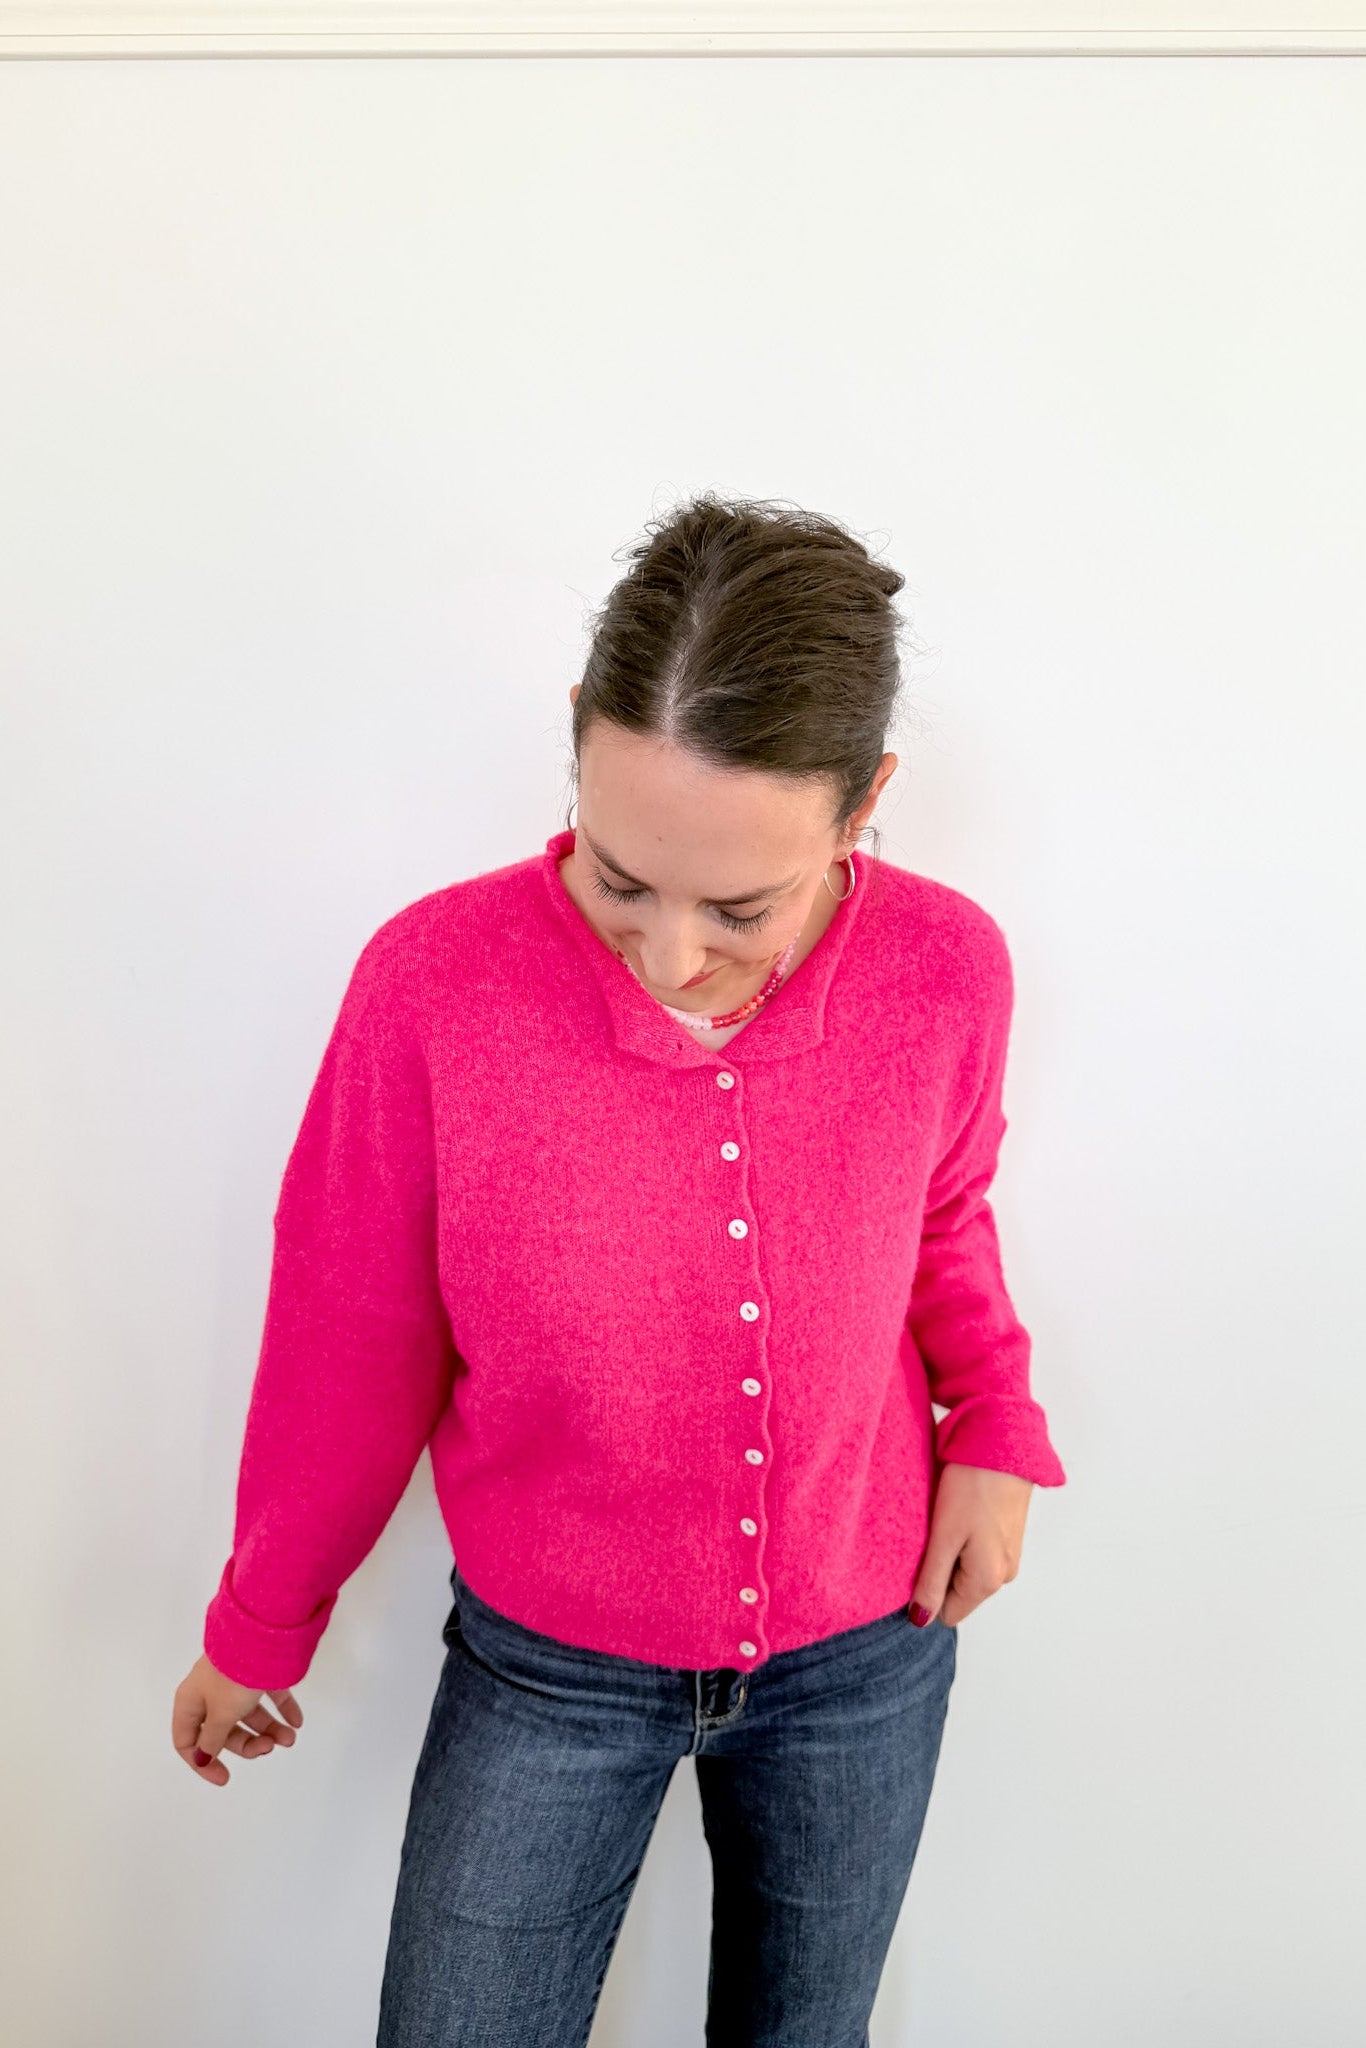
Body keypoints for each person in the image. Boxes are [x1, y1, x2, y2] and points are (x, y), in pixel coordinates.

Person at [172, 492, 1067, 2045]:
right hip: (550, 1666)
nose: (670, 957)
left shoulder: (947, 969)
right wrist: (263, 1618)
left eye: (741, 907)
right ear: (579, 740)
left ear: (864, 808)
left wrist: (993, 1426)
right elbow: (350, 1332)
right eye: (616, 877)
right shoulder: (432, 986)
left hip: (867, 1647)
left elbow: (942, 1216)